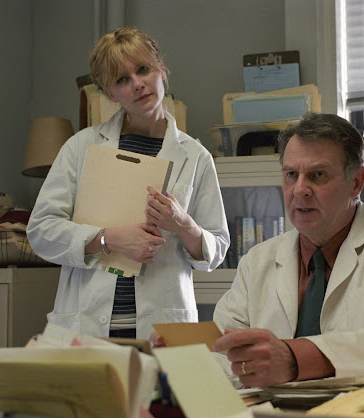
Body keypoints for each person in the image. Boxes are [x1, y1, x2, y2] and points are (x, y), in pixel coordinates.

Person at [209, 112, 364, 388]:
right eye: (291, 175)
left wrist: (296, 359)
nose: (300, 190)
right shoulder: (257, 261)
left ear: (356, 183)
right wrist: (184, 364)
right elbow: (222, 350)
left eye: (317, 175)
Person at [27, 27, 229, 340]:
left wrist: (183, 224)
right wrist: (108, 239)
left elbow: (216, 250)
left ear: (161, 69)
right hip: (88, 325)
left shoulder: (195, 156)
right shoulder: (82, 147)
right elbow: (41, 232)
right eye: (122, 80)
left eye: (143, 69)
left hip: (162, 327)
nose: (137, 84)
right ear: (110, 94)